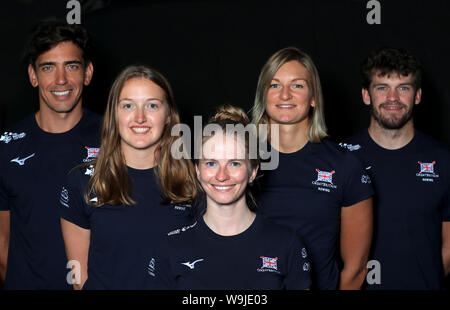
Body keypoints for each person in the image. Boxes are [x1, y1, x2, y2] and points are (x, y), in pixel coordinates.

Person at [59, 65, 198, 290]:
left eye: (152, 105)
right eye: (128, 106)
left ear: (168, 116)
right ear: (115, 114)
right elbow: (78, 275)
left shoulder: (193, 184)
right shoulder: (82, 182)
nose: (140, 117)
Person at [148, 105, 311, 290]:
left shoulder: (286, 244)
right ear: (198, 171)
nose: (221, 175)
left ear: (253, 171)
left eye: (234, 163)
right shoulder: (170, 248)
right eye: (211, 163)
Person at [251, 47, 374, 290]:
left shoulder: (343, 165)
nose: (285, 95)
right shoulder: (238, 161)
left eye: (297, 85)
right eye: (274, 85)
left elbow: (356, 267)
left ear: (314, 97)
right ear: (263, 95)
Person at [0, 20, 101, 289]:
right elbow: (2, 244)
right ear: (33, 76)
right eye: (48, 68)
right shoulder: (6, 146)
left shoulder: (115, 141)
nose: (61, 80)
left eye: (71, 66)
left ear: (87, 73)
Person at [342, 47, 450, 290]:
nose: (393, 98)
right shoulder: (341, 158)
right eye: (382, 88)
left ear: (418, 95)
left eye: (403, 88)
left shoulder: (443, 161)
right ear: (366, 95)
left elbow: (449, 247)